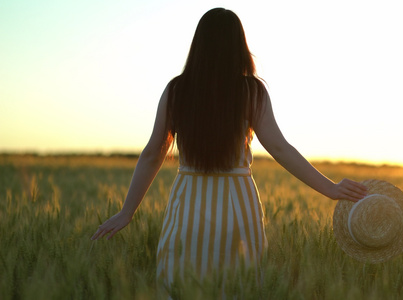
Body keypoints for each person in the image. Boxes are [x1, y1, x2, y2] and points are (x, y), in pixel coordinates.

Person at [91, 7, 368, 297]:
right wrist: (331, 188)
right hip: (238, 201)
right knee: (238, 288)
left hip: (189, 201)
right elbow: (279, 148)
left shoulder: (177, 90)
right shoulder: (252, 92)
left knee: (181, 286)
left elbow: (152, 154)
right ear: (240, 46)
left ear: (198, 45)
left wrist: (127, 211)